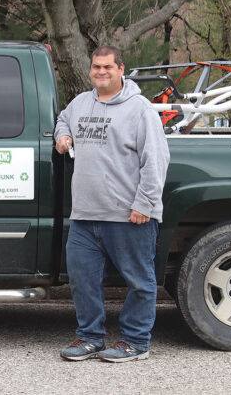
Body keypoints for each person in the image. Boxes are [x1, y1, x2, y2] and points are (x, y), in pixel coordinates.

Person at [53, 46, 170, 363]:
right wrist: (62, 136)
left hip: (128, 216)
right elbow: (63, 120)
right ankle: (90, 337)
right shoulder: (81, 103)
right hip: (85, 215)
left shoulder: (140, 109)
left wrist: (144, 204)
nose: (100, 72)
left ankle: (136, 342)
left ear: (121, 69)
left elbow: (156, 160)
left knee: (139, 282)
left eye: (107, 67)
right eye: (96, 67)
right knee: (82, 281)